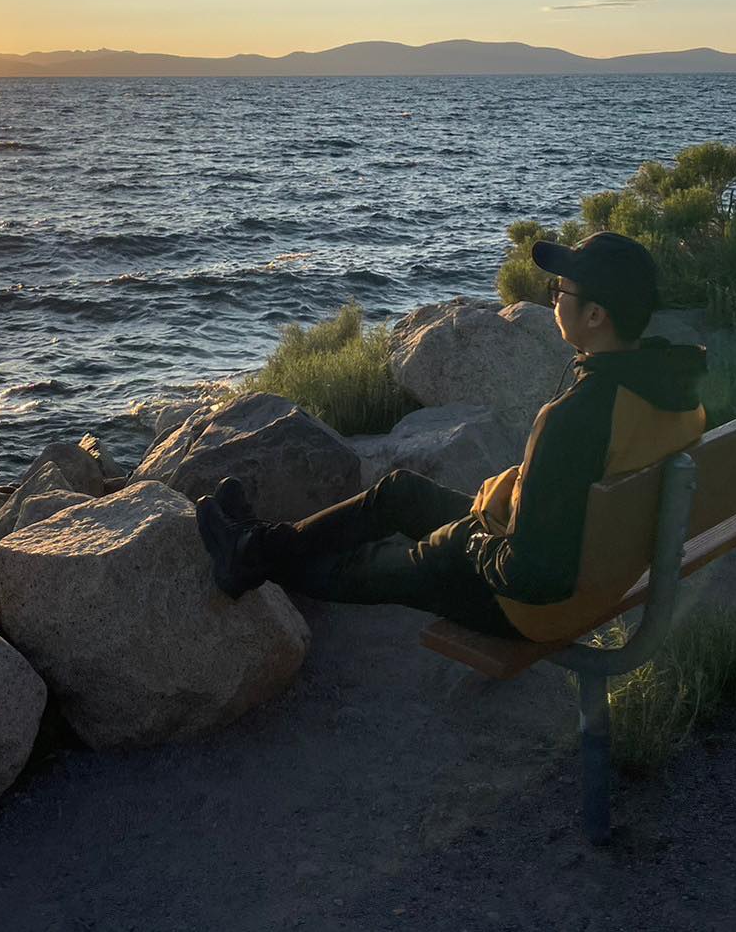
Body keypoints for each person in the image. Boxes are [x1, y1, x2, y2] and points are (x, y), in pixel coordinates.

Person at [195, 231, 707, 644]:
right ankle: (254, 546)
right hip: (593, 573)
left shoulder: (578, 417)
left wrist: (468, 541)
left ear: (595, 316)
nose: (553, 297)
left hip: (531, 608)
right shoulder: (677, 394)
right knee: (398, 493)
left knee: (368, 566)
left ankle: (246, 557)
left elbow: (533, 576)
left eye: (562, 291)